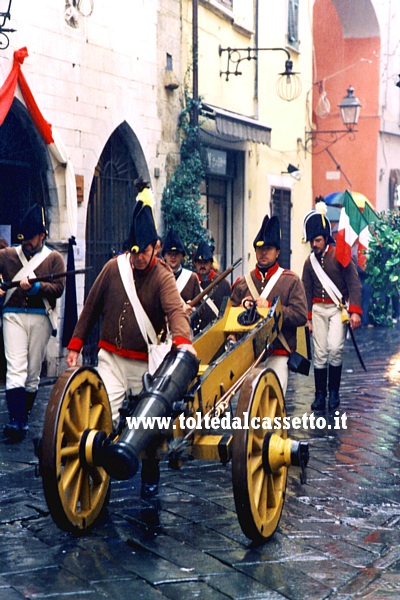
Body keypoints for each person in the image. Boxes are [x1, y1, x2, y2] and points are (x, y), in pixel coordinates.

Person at [66, 184, 196, 499]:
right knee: (104, 415)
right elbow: (91, 307)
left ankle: (149, 473)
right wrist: (74, 346)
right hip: (110, 356)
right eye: (135, 252)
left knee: (146, 419)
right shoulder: (114, 268)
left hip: (143, 361)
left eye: (146, 252)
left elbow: (175, 310)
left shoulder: (164, 275)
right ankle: (102, 471)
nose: (139, 259)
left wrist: (183, 341)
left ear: (156, 247)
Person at [0, 204, 65, 442]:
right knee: (15, 367)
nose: (26, 243)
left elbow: (58, 288)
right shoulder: (7, 256)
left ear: (42, 236)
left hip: (40, 316)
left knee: (32, 372)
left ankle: (23, 418)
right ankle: (16, 421)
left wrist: (37, 287)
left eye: (31, 239)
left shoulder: (54, 259)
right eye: (23, 239)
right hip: (13, 315)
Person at [230, 215, 307, 395]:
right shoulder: (243, 283)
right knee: (248, 403)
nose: (263, 252)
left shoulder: (291, 281)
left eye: (268, 248)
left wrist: (272, 307)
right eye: (260, 248)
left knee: (274, 397)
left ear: (277, 252)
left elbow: (300, 315)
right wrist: (240, 314)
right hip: (248, 353)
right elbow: (229, 317)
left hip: (278, 351)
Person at [301, 200, 362, 411]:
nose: (314, 245)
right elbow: (306, 290)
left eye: (317, 240)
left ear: (325, 238)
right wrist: (307, 318)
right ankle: (320, 395)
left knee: (335, 349)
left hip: (338, 308)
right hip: (318, 309)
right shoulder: (309, 262)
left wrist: (355, 311)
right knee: (319, 353)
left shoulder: (341, 255)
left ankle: (334, 392)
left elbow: (354, 284)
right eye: (312, 241)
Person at [191, 240, 231, 334]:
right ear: (195, 264)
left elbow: (228, 311)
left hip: (216, 333)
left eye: (205, 262)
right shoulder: (191, 281)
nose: (202, 265)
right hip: (195, 334)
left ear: (211, 263)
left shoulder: (223, 283)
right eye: (199, 262)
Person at [161, 228, 201, 307]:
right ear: (164, 256)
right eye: (169, 254)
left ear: (182, 256)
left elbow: (200, 307)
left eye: (176, 254)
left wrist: (192, 310)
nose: (173, 257)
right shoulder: (158, 277)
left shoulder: (191, 278)